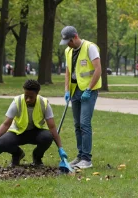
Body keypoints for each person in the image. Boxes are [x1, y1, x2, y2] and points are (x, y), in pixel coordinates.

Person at [0, 79, 68, 167]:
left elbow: (52, 127)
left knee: (48, 137)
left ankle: (37, 157)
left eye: (31, 97)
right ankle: (17, 154)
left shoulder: (44, 103)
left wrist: (60, 148)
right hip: (18, 133)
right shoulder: (17, 101)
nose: (28, 99)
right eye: (26, 96)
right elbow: (6, 124)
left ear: (37, 94)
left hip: (37, 133)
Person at [60, 26, 102, 169]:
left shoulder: (90, 48)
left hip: (88, 92)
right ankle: (80, 155)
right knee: (77, 125)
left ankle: (87, 159)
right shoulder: (68, 51)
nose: (68, 44)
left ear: (75, 37)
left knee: (85, 124)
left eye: (69, 41)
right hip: (74, 91)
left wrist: (89, 89)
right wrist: (66, 90)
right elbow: (67, 72)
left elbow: (98, 69)